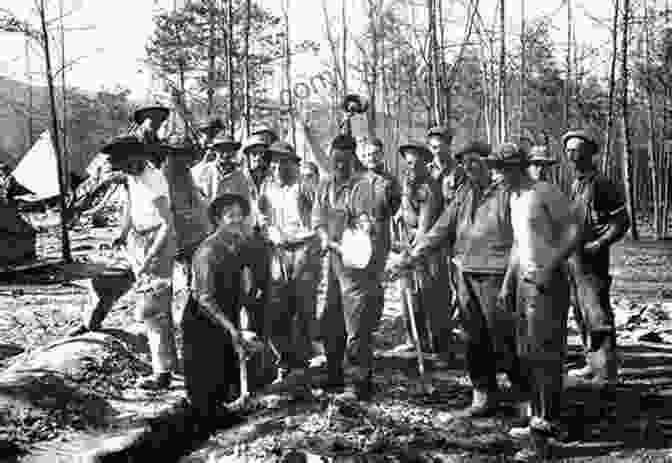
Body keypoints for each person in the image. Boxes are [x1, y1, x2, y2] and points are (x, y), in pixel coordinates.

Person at [393, 141, 520, 417]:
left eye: (475, 161)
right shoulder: (463, 193)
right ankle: (483, 395)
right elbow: (440, 228)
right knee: (473, 338)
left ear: (489, 163)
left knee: (503, 337)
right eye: (464, 162)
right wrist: (415, 254)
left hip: (496, 275)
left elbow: (521, 238)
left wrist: (513, 275)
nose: (469, 167)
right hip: (465, 273)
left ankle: (525, 398)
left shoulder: (507, 193)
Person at [496, 144, 581, 461]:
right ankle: (537, 416)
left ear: (516, 168)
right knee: (527, 353)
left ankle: (547, 431)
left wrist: (550, 266)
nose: (497, 175)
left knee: (545, 355)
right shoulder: (514, 197)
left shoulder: (545, 191)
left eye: (501, 169)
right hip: (523, 283)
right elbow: (519, 243)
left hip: (548, 282)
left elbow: (574, 232)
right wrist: (507, 282)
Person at [79, 136, 178, 390]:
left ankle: (163, 373)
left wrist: (150, 256)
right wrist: (123, 233)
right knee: (108, 281)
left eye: (123, 163)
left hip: (157, 242)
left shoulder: (154, 180)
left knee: (154, 311)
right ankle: (89, 322)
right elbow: (131, 206)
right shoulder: (133, 176)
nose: (122, 169)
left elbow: (168, 223)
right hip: (136, 239)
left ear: (136, 158)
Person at [312, 134, 386, 400]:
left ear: (352, 158)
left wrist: (349, 243)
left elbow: (365, 226)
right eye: (335, 159)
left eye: (345, 160)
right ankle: (333, 374)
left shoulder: (362, 187)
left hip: (354, 260)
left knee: (356, 323)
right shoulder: (324, 185)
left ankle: (358, 383)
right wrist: (323, 237)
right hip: (332, 261)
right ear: (330, 157)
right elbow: (318, 217)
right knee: (331, 319)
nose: (339, 165)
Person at [181, 192, 258, 433]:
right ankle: (205, 434)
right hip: (202, 321)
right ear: (217, 220)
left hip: (225, 316)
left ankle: (224, 424)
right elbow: (205, 298)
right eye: (229, 216)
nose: (236, 220)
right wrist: (232, 329)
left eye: (239, 215)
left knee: (225, 374)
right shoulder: (207, 252)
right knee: (206, 379)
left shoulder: (239, 244)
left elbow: (246, 280)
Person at [563, 130, 630, 386]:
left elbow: (621, 222)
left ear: (590, 153)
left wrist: (599, 243)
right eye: (568, 150)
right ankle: (592, 363)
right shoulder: (576, 183)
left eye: (577, 149)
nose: (571, 154)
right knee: (580, 313)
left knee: (597, 314)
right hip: (575, 258)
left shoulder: (602, 183)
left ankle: (606, 371)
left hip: (593, 261)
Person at [257, 141, 323, 384]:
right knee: (278, 306)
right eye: (273, 162)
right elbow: (262, 217)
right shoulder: (266, 186)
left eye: (282, 162)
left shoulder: (304, 185)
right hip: (278, 250)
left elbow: (319, 214)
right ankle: (284, 360)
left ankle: (302, 362)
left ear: (292, 163)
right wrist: (270, 231)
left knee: (304, 306)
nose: (276, 167)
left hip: (304, 249)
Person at [393, 141, 444, 353]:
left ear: (425, 163)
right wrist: (399, 215)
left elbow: (425, 228)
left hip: (426, 250)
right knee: (408, 295)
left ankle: (436, 346)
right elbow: (405, 207)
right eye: (408, 162)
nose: (411, 167)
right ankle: (414, 340)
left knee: (428, 297)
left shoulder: (429, 187)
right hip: (407, 244)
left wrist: (413, 251)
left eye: (415, 163)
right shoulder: (408, 183)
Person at [426, 126, 464, 208]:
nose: (437, 151)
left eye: (440, 146)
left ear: (448, 145)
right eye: (433, 147)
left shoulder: (459, 171)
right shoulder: (427, 171)